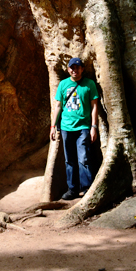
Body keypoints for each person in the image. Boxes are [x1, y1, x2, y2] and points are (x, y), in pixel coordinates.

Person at [50, 58, 99, 200]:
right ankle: (72, 189)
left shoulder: (89, 84)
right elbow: (58, 106)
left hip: (83, 127)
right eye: (72, 67)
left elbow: (94, 106)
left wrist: (94, 127)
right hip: (66, 127)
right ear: (68, 69)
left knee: (83, 158)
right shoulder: (63, 84)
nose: (74, 70)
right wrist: (53, 126)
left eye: (77, 67)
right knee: (69, 160)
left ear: (82, 69)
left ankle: (86, 188)